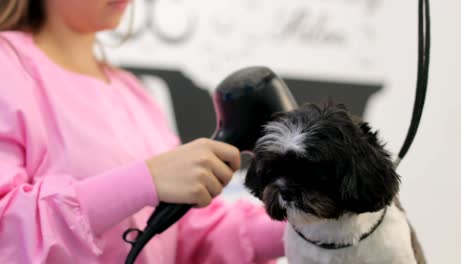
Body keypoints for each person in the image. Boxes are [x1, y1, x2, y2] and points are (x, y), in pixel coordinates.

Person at [0, 0, 285, 263]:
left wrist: (300, 226)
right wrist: (144, 181)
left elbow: (183, 232)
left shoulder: (132, 93)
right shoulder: (8, 65)